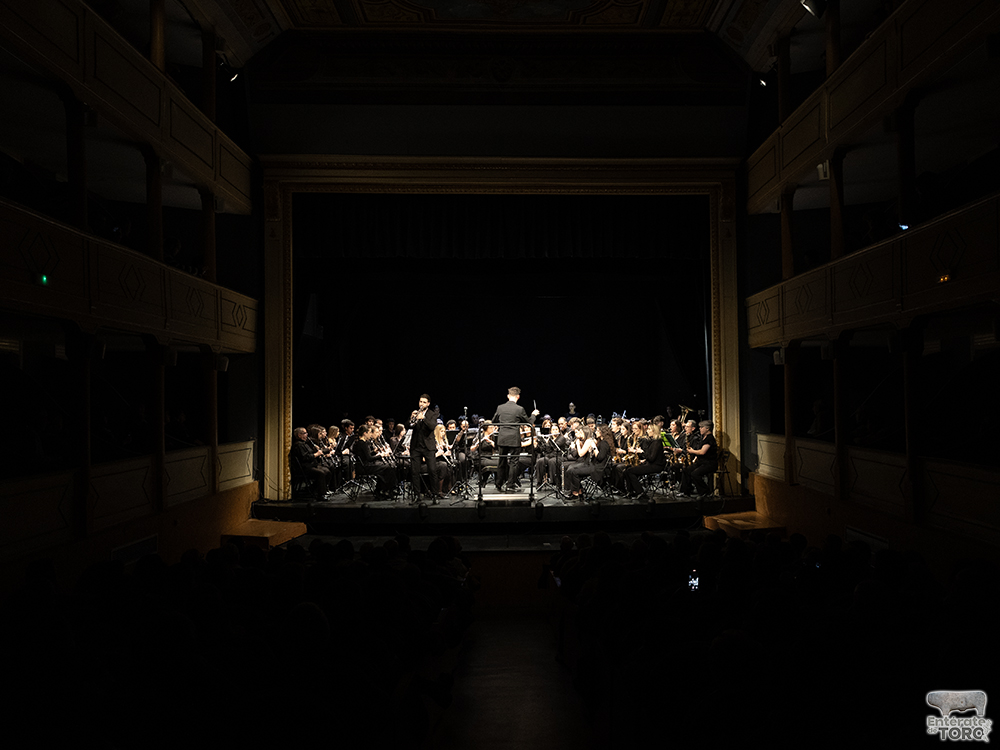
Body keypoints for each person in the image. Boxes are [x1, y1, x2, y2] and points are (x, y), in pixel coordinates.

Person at [492, 387, 539, 491]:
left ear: (508, 396)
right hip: (514, 439)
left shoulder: (500, 407)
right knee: (514, 462)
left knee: (501, 461)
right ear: (518, 397)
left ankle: (498, 484)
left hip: (502, 438)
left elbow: (494, 421)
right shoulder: (519, 409)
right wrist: (533, 415)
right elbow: (528, 422)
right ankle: (510, 486)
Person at [409, 394, 444, 501]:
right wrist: (411, 418)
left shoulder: (432, 414)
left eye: (424, 402)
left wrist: (423, 418)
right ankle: (417, 495)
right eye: (420, 402)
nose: (422, 404)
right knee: (415, 472)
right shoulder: (415, 413)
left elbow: (432, 426)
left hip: (428, 447)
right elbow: (408, 426)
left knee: (432, 471)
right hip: (416, 446)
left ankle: (434, 495)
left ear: (428, 403)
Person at [624, 422, 666, 501]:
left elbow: (651, 458)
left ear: (654, 431)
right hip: (650, 464)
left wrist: (642, 452)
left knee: (630, 471)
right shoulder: (652, 441)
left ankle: (640, 492)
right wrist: (643, 459)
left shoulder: (657, 442)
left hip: (656, 466)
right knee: (627, 469)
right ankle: (631, 491)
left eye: (649, 429)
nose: (647, 431)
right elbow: (649, 456)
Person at [290, 427, 331, 500]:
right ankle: (320, 495)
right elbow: (305, 458)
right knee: (321, 473)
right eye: (305, 433)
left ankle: (316, 490)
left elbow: (310, 453)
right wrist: (316, 454)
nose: (307, 435)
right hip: (305, 467)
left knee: (327, 471)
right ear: (299, 435)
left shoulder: (304, 443)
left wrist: (316, 450)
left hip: (311, 465)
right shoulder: (298, 445)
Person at [680, 421, 719, 497]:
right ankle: (686, 491)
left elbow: (702, 452)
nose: (700, 429)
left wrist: (692, 451)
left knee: (695, 474)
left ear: (707, 428)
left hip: (709, 463)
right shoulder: (703, 438)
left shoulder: (709, 439)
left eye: (702, 427)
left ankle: (705, 491)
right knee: (687, 470)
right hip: (702, 462)